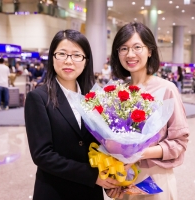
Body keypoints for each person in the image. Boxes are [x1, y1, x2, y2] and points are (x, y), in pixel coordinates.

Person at [24, 30, 122, 200]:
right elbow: (43, 155)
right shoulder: (38, 98)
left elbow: (102, 146)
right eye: (62, 54)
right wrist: (92, 176)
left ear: (85, 61)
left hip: (90, 192)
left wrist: (110, 179)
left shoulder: (94, 97)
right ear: (52, 58)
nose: (69, 61)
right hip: (55, 191)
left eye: (77, 55)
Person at [110, 22, 189, 200]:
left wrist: (137, 153)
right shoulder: (116, 93)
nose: (130, 54)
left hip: (155, 179)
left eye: (137, 47)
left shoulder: (166, 89)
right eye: (123, 48)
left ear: (150, 51)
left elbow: (179, 143)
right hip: (124, 179)